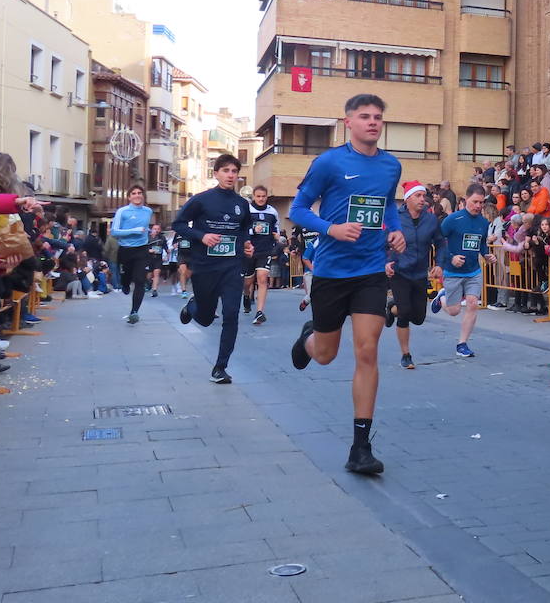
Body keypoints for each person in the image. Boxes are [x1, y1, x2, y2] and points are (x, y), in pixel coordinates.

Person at [286, 94, 406, 476]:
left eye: (378, 117)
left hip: (370, 270)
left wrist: (397, 231)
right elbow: (298, 210)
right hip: (331, 272)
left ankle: (361, 447)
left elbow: (387, 205)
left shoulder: (391, 165)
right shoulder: (329, 163)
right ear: (348, 122)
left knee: (367, 351)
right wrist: (331, 228)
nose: (373, 122)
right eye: (365, 116)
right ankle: (308, 338)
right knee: (325, 355)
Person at [172, 155, 256, 384]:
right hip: (205, 267)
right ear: (216, 173)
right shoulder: (202, 200)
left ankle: (220, 367)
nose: (231, 175)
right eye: (226, 170)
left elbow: (245, 229)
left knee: (231, 314)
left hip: (232, 267)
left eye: (234, 171)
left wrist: (246, 246)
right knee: (207, 318)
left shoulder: (241, 204)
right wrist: (202, 235)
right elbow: (178, 224)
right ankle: (192, 307)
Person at [385, 181, 445, 370]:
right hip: (399, 271)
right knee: (405, 313)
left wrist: (439, 264)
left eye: (423, 196)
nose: (423, 199)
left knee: (417, 317)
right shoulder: (395, 217)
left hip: (420, 273)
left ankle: (391, 308)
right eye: (418, 196)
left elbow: (441, 243)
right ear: (408, 198)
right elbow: (380, 242)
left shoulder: (431, 220)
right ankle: (406, 355)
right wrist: (385, 262)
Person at [431, 185, 495, 356]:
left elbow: (481, 243)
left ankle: (462, 344)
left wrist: (487, 255)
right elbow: (438, 241)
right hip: (452, 271)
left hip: (473, 271)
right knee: (454, 311)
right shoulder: (453, 219)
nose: (478, 206)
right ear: (466, 200)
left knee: (473, 303)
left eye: (481, 202)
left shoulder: (483, 222)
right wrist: (451, 257)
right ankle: (442, 298)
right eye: (475, 202)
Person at [110, 185, 153, 325]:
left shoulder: (148, 211)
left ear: (143, 196)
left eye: (140, 193)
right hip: (126, 249)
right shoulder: (123, 211)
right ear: (129, 197)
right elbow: (114, 232)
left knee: (140, 280)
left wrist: (148, 231)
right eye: (134, 193)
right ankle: (125, 284)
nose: (137, 195)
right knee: (126, 277)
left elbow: (144, 228)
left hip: (142, 249)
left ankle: (134, 312)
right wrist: (135, 230)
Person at [241, 185, 280, 326]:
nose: (261, 199)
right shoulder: (247, 210)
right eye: (258, 196)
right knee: (247, 283)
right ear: (253, 197)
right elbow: (241, 230)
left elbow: (276, 228)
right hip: (250, 250)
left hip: (266, 249)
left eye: (263, 196)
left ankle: (259, 312)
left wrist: (277, 235)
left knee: (262, 279)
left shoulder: (272, 212)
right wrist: (253, 230)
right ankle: (246, 295)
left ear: (266, 196)